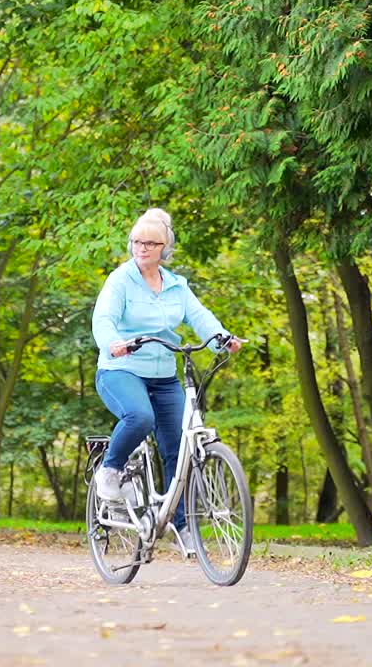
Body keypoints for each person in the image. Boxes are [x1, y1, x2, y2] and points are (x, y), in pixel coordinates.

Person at [90, 208, 243, 556]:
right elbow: (104, 319)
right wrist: (112, 342)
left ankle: (182, 525)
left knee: (180, 449)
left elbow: (200, 317)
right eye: (137, 241)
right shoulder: (120, 280)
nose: (141, 248)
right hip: (121, 369)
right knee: (140, 417)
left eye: (150, 243)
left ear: (164, 248)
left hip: (163, 376)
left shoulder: (177, 285)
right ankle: (110, 471)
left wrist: (223, 338)